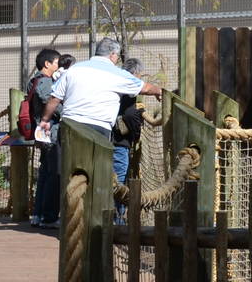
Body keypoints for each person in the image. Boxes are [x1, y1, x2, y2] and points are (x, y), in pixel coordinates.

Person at [38, 35, 162, 152]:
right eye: (117, 56)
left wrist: (44, 120)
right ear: (112, 55)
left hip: (70, 125)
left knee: (68, 170)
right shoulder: (118, 74)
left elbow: (54, 98)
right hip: (99, 127)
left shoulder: (74, 70)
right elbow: (145, 88)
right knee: (97, 170)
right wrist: (158, 91)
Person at [26, 48, 62, 227]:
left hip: (44, 134)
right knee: (53, 175)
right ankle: (48, 216)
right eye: (56, 63)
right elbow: (51, 103)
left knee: (45, 175)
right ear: (47, 64)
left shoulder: (34, 81)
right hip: (51, 134)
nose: (58, 66)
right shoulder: (45, 82)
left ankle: (39, 214)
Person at [112, 58, 147, 224]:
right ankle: (117, 220)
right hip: (119, 143)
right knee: (118, 181)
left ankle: (116, 217)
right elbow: (129, 115)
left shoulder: (115, 81)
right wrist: (137, 131)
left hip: (109, 139)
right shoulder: (128, 87)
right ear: (135, 74)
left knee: (112, 180)